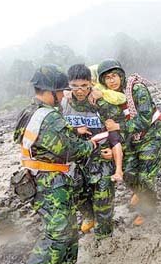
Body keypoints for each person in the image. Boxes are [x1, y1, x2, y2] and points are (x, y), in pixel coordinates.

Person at [13, 64, 98, 264]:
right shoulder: (49, 117)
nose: (63, 95)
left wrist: (71, 132)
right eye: (60, 91)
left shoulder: (29, 111)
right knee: (56, 236)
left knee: (68, 230)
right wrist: (90, 145)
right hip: (51, 184)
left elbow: (23, 138)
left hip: (38, 178)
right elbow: (69, 151)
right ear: (50, 91)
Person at [92, 59, 161, 226]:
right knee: (128, 173)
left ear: (121, 75)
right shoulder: (108, 96)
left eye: (114, 76)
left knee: (145, 177)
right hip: (131, 138)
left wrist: (118, 126)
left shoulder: (136, 89)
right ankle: (139, 192)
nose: (112, 80)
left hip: (151, 134)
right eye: (107, 78)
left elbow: (145, 120)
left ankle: (148, 210)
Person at [62, 64, 123, 238]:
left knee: (103, 201)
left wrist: (115, 155)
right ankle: (89, 216)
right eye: (75, 86)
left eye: (84, 86)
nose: (79, 91)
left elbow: (119, 131)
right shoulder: (63, 103)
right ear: (69, 85)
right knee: (76, 194)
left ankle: (104, 237)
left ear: (90, 83)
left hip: (102, 159)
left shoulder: (101, 103)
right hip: (77, 160)